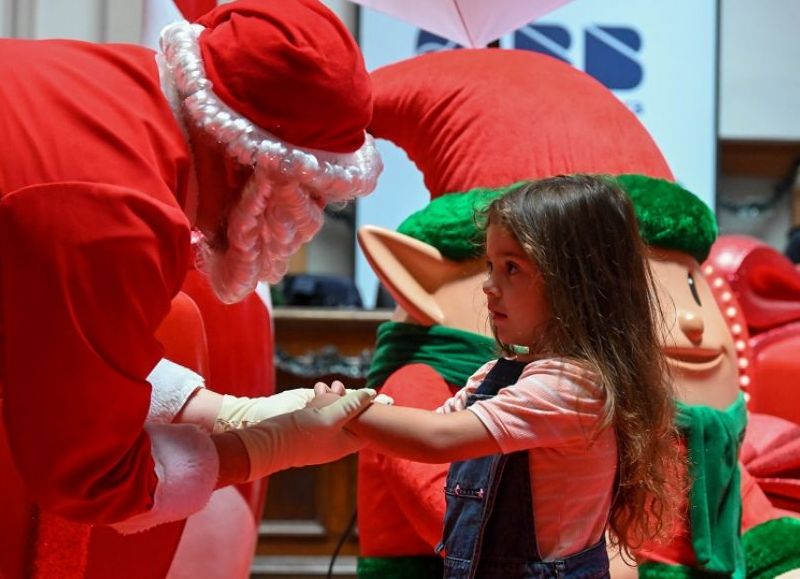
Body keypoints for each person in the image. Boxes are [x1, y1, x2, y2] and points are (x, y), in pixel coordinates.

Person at [0, 0, 382, 577]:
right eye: (312, 193)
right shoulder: (122, 211)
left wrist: (229, 411)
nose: (314, 214)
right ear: (254, 167)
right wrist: (264, 448)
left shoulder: (120, 92)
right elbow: (90, 478)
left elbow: (64, 342)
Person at [323, 175, 682, 577]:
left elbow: (436, 439)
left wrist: (347, 410)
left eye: (512, 268)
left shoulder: (570, 386)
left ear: (577, 281)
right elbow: (432, 424)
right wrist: (356, 416)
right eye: (490, 266)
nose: (489, 287)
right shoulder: (501, 373)